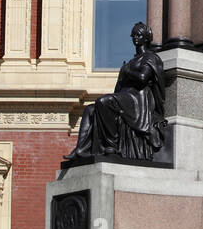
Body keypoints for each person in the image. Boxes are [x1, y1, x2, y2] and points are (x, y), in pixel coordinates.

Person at [64, 21, 167, 163]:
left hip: (138, 99)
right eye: (133, 35)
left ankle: (112, 146)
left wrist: (127, 70)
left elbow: (143, 78)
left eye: (139, 34)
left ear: (146, 38)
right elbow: (118, 88)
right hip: (125, 97)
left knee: (103, 101)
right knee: (90, 109)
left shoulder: (150, 57)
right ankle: (80, 149)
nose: (135, 38)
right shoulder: (132, 61)